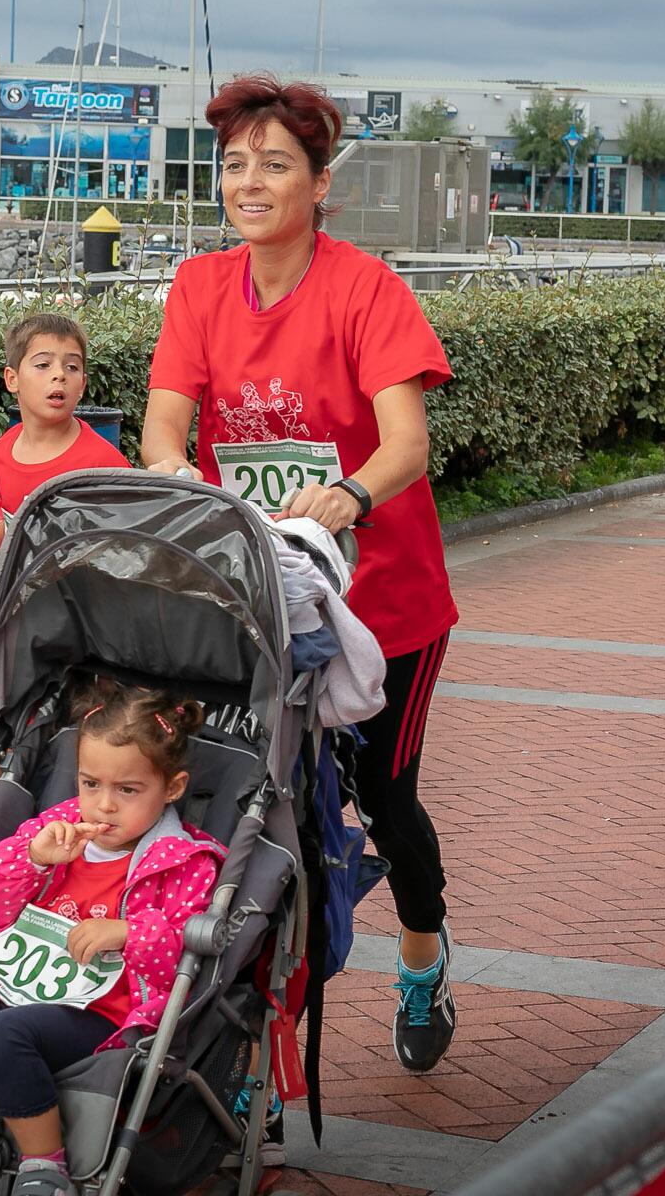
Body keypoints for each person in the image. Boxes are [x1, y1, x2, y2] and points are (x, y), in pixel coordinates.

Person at [140, 73, 461, 1073]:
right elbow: (164, 419)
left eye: (275, 164)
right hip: (256, 593)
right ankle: (251, 1032)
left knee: (385, 801)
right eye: (235, 165)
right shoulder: (199, 287)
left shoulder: (366, 288)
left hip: (382, 601)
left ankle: (421, 953)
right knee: (251, 802)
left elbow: (405, 441)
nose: (250, 181)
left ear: (321, 184)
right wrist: (170, 475)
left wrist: (350, 494)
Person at [0, 677, 224, 1196]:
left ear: (171, 788)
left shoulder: (184, 860)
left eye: (127, 790)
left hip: (103, 1011)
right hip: (16, 990)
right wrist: (32, 859)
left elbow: (182, 956)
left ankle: (45, 1170)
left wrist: (128, 931)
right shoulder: (52, 828)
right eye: (90, 784)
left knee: (1, 1035)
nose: (103, 806)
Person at [0, 314, 128, 726]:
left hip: (78, 629)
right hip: (11, 616)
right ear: (12, 379)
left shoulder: (101, 462)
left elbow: (126, 542)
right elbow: (11, 512)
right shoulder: (3, 450)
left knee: (66, 734)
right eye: (44, 364)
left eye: (72, 366)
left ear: (83, 382)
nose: (59, 377)